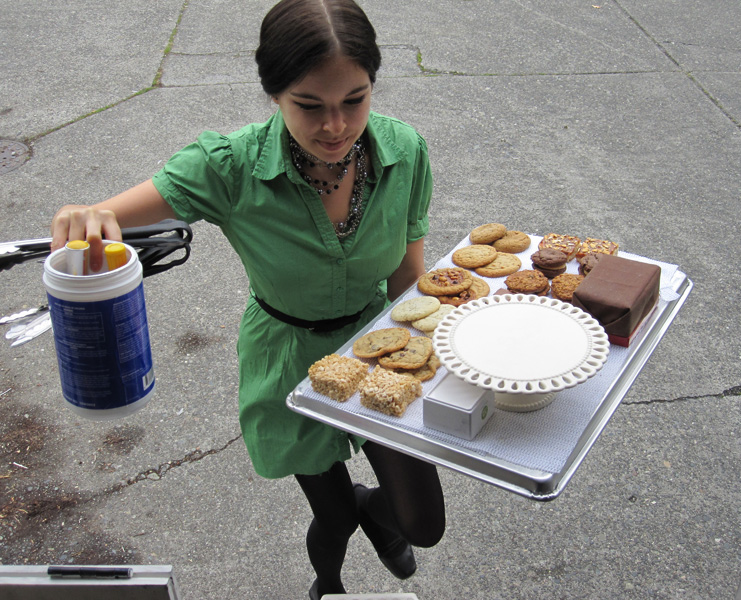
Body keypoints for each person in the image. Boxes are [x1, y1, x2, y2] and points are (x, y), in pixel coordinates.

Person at [49, 0, 446, 597]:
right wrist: (86, 215)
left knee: (423, 522)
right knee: (333, 518)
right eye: (308, 106)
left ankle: (374, 509)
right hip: (287, 358)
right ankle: (328, 588)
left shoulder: (404, 152)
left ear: (372, 86)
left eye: (354, 101)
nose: (335, 127)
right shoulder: (229, 167)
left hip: (376, 350)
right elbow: (108, 214)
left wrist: (441, 362)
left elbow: (407, 282)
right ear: (274, 94)